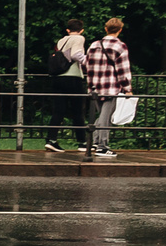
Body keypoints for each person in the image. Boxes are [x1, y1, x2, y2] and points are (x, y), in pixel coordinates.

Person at [84, 15, 134, 160]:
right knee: (105, 117)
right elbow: (123, 69)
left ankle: (95, 142)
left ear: (106, 29)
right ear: (120, 30)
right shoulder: (120, 46)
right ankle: (102, 147)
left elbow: (86, 65)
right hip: (111, 86)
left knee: (102, 116)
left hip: (95, 86)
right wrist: (127, 88)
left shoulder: (94, 45)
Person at [43, 16, 89, 153]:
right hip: (72, 77)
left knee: (58, 110)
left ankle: (51, 140)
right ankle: (82, 142)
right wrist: (89, 61)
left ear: (68, 30)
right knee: (77, 111)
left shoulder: (61, 40)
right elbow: (75, 55)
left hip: (58, 78)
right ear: (82, 30)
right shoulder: (79, 38)